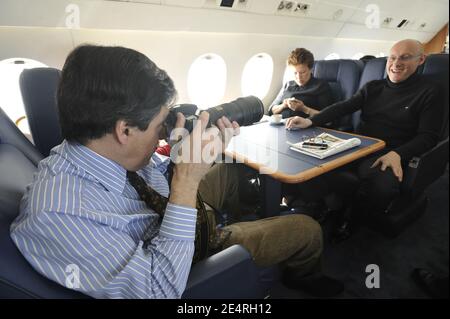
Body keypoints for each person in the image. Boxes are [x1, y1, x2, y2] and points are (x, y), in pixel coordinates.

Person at [10, 45, 343, 299]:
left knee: (233, 170)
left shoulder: (93, 154)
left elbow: (155, 178)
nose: (160, 135)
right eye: (158, 126)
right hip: (183, 257)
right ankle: (301, 275)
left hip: (163, 215)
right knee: (306, 227)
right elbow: (160, 290)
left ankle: (236, 223)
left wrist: (182, 158)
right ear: (124, 131)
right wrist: (186, 180)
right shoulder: (57, 213)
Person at [285, 39, 445, 237]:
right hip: (359, 144)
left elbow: (428, 137)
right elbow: (344, 106)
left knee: (378, 184)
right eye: (392, 58)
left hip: (392, 151)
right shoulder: (373, 87)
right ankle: (325, 205)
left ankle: (352, 219)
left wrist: (398, 154)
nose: (396, 64)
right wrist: (311, 121)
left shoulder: (431, 92)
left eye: (405, 58)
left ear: (421, 59)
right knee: (309, 161)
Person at [269, 48, 334, 119]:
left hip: (306, 127)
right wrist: (283, 105)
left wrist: (304, 109)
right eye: (295, 73)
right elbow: (271, 110)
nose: (299, 77)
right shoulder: (288, 85)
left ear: (310, 69)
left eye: (303, 72)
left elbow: (328, 117)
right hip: (282, 124)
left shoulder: (321, 86)